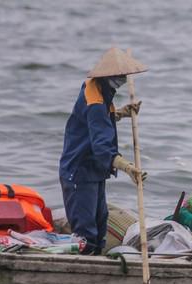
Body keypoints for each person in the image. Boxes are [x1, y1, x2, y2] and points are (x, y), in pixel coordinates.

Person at [59, 47, 148, 254]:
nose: (123, 79)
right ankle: (82, 272)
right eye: (120, 76)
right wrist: (128, 168)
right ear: (109, 75)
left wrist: (120, 113)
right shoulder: (96, 102)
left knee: (100, 226)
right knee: (86, 234)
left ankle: (95, 263)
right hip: (79, 173)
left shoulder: (96, 90)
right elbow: (102, 148)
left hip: (93, 172)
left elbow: (93, 122)